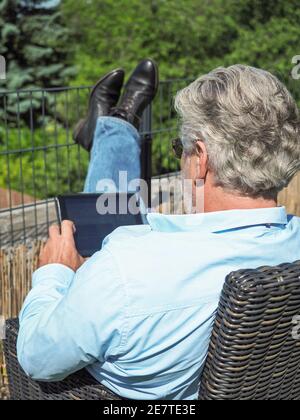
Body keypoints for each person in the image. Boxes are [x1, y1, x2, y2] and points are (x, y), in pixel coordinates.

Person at [17, 61, 300, 400]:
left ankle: (113, 127)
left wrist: (54, 273)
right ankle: (113, 127)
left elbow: (37, 358)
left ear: (200, 159)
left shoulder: (126, 269)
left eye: (180, 151)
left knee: (109, 214)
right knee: (122, 211)